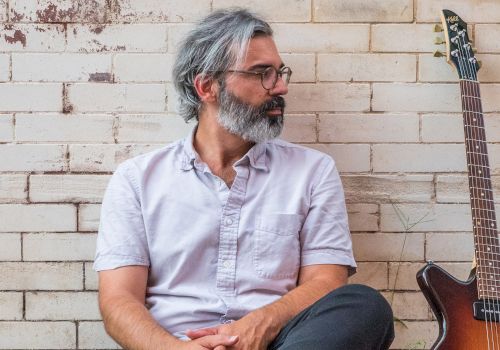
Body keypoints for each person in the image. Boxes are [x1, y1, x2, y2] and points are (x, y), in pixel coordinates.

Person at [94, 8, 394, 350]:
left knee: (365, 306)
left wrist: (257, 325)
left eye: (280, 72)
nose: (280, 86)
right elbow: (118, 301)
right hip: (176, 343)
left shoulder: (312, 171)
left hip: (283, 342)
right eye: (261, 73)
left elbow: (326, 280)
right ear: (208, 86)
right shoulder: (137, 179)